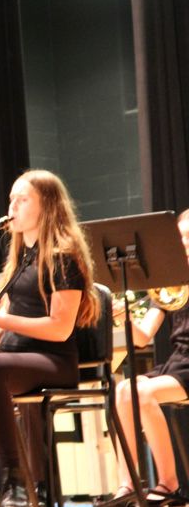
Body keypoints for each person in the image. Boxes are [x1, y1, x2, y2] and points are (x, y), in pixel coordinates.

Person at [0, 169, 100, 507]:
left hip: (55, 361)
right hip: (12, 358)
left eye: (22, 199)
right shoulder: (20, 257)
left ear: (46, 206)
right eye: (11, 199)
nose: (12, 206)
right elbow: (7, 310)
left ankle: (15, 480)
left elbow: (60, 328)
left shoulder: (64, 256)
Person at [111, 209, 189, 504]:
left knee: (140, 392)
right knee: (122, 391)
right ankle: (128, 483)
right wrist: (123, 318)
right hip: (179, 362)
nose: (183, 244)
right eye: (179, 238)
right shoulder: (174, 282)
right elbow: (143, 336)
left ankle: (169, 483)